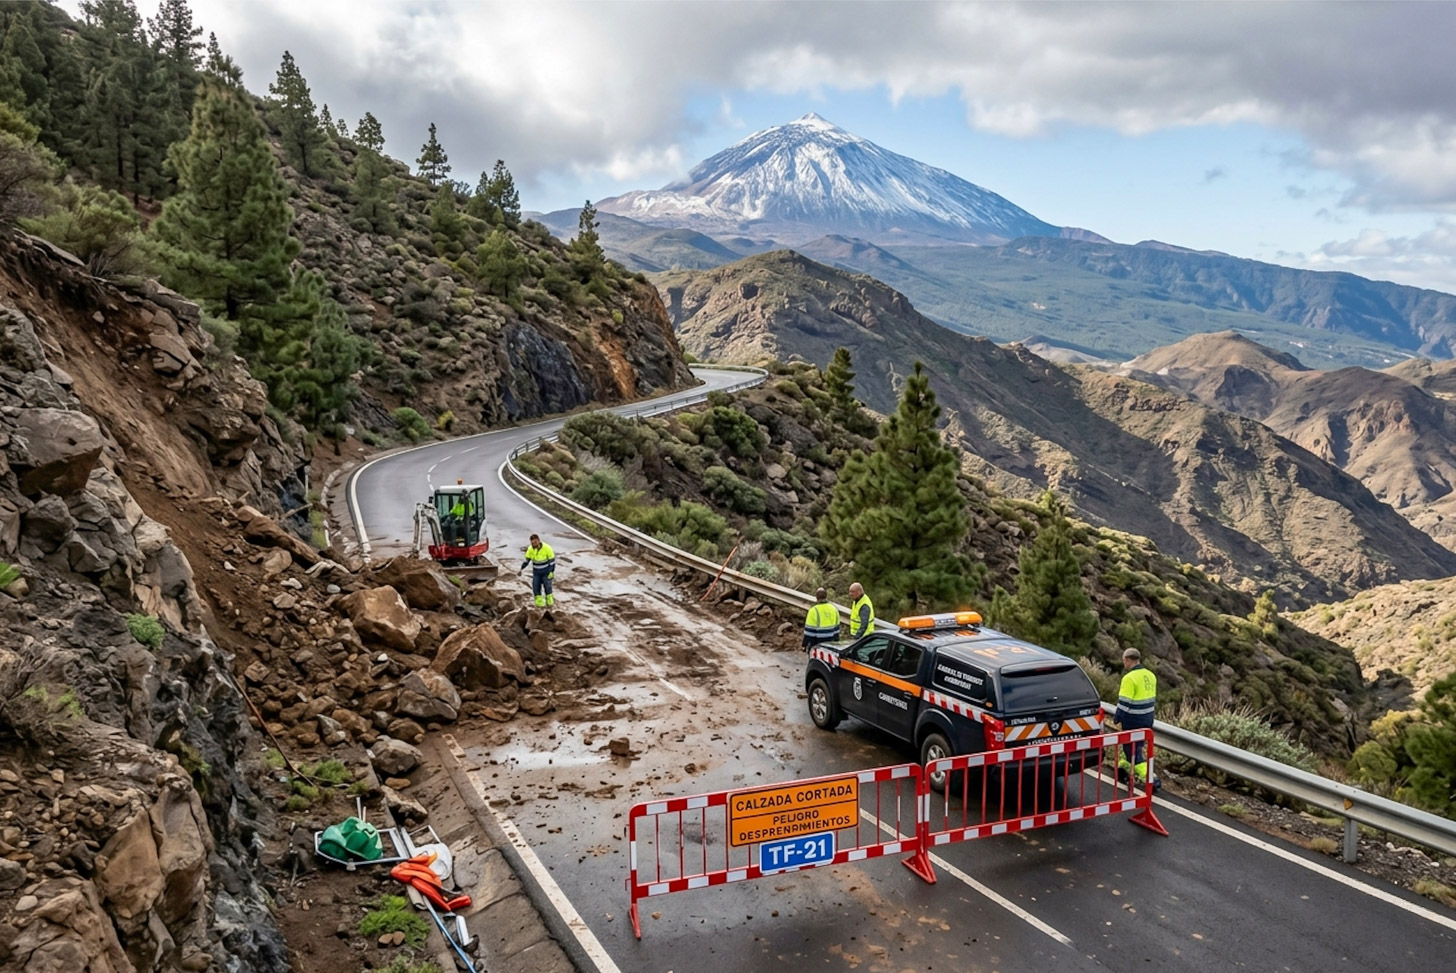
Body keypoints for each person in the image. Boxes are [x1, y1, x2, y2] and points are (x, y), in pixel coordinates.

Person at [1112, 647, 1161, 791]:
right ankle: (1124, 769)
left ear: (1127, 660)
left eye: (1123, 661)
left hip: (1132, 720)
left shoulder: (1129, 678)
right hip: (1147, 719)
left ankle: (1152, 779)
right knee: (1135, 747)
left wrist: (1117, 718)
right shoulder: (1151, 675)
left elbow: (1124, 703)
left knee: (1132, 751)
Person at [520, 534, 556, 608]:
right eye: (532, 543)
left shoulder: (547, 548)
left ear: (539, 541)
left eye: (535, 542)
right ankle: (539, 604)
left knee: (547, 586)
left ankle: (550, 602)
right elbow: (527, 560)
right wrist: (521, 568)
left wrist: (551, 572)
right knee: (535, 586)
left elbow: (552, 562)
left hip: (546, 571)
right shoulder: (530, 549)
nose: (534, 544)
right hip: (536, 572)